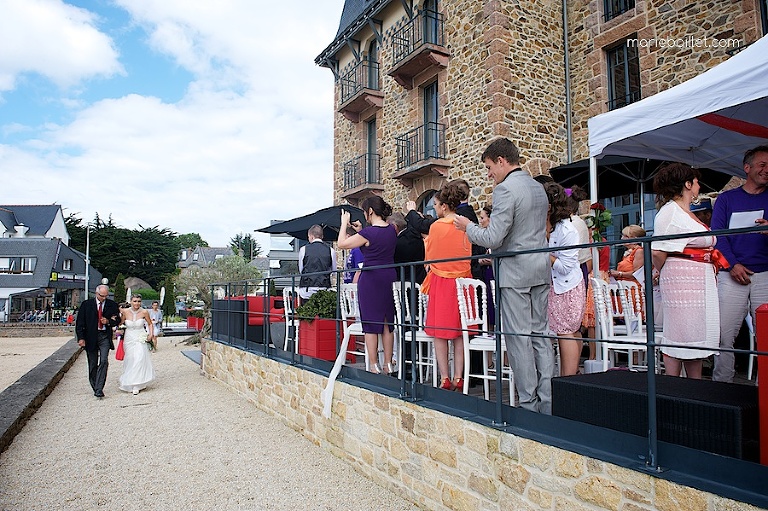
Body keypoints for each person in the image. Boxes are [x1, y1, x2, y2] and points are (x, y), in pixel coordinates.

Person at [454, 137, 553, 414]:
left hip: (515, 272)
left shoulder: (505, 190)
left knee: (519, 339)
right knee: (541, 337)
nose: (489, 174)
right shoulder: (538, 188)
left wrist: (468, 227)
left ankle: (528, 406)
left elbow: (494, 237)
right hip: (539, 268)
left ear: (501, 161)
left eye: (489, 167)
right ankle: (547, 403)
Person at [651, 163, 722, 379]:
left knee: (695, 334)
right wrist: (667, 271)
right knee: (680, 332)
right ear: (688, 184)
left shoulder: (686, 212)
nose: (699, 186)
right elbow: (657, 251)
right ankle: (674, 388)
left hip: (699, 279)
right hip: (682, 280)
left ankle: (695, 386)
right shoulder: (669, 212)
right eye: (697, 181)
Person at [712, 145, 768, 382]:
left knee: (766, 335)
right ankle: (722, 387)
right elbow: (718, 236)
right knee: (725, 334)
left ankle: (762, 388)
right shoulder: (726, 199)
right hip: (730, 274)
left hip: (765, 273)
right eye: (762, 165)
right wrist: (733, 265)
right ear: (747, 168)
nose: (767, 170)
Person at [421, 182, 473, 391]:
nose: (433, 208)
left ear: (444, 206)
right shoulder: (466, 223)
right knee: (459, 332)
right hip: (463, 281)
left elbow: (430, 257)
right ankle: (459, 377)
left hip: (442, 281)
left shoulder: (436, 226)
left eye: (434, 204)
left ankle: (445, 377)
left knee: (439, 332)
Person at [338, 196, 398, 374]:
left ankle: (373, 365)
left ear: (370, 211)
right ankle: (388, 363)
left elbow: (342, 243)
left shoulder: (368, 233)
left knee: (371, 322)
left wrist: (344, 223)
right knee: (388, 322)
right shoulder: (392, 231)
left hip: (371, 278)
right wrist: (362, 230)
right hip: (388, 276)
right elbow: (377, 240)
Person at [544, 182, 585, 376]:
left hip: (567, 287)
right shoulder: (547, 228)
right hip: (557, 286)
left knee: (566, 331)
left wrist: (544, 253)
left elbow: (565, 267)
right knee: (570, 331)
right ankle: (572, 377)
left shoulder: (567, 230)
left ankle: (567, 379)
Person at [75, 284, 121, 399]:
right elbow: (80, 322)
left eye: (106, 296)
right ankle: (95, 385)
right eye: (102, 296)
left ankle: (99, 388)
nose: (104, 298)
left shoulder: (112, 305)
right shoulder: (86, 305)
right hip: (90, 336)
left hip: (104, 336)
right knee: (92, 363)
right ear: (96, 294)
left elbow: (118, 320)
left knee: (104, 360)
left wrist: (109, 322)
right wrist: (81, 338)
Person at [118, 295, 156, 395]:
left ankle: (137, 383)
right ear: (130, 301)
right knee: (130, 358)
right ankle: (129, 380)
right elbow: (121, 323)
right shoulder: (125, 312)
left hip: (140, 336)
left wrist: (150, 334)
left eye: (139, 301)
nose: (137, 303)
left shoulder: (144, 312)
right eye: (135, 301)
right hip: (129, 337)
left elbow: (150, 323)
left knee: (139, 357)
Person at [298, 224, 337, 303]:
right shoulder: (331, 250)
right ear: (322, 236)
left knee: (306, 313)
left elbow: (301, 270)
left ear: (311, 236)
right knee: (324, 313)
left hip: (307, 288)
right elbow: (334, 271)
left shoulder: (303, 249)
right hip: (324, 288)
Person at [389, 211, 426, 285]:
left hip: (405, 283)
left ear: (394, 227)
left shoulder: (398, 243)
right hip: (420, 280)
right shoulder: (415, 236)